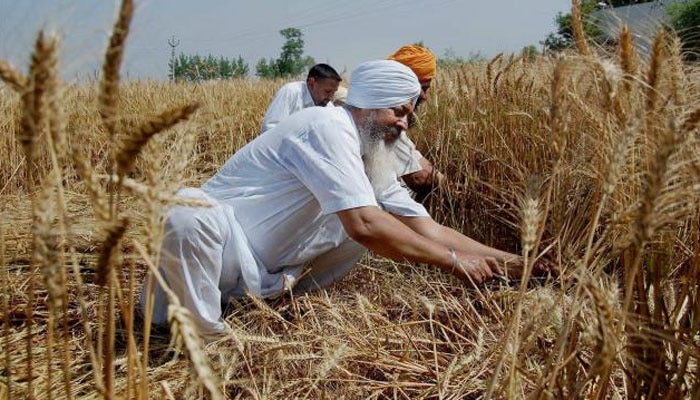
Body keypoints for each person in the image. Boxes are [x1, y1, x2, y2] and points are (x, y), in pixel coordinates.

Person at [141, 60, 550, 337]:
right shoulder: (324, 124)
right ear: (369, 105)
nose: (405, 125)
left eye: (410, 115)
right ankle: (202, 336)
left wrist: (516, 264)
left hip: (267, 275)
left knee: (373, 229)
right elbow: (365, 224)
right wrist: (454, 263)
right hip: (222, 250)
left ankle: (266, 306)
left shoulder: (372, 156)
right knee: (187, 213)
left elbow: (429, 228)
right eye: (399, 112)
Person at [387, 45, 445, 202]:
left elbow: (417, 161)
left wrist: (445, 181)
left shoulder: (393, 119)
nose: (425, 97)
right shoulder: (384, 123)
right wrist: (451, 189)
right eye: (423, 88)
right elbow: (418, 178)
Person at [259, 63, 342, 133]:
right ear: (311, 83)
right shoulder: (291, 92)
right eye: (327, 91)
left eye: (334, 92)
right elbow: (269, 129)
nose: (331, 97)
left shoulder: (328, 105)